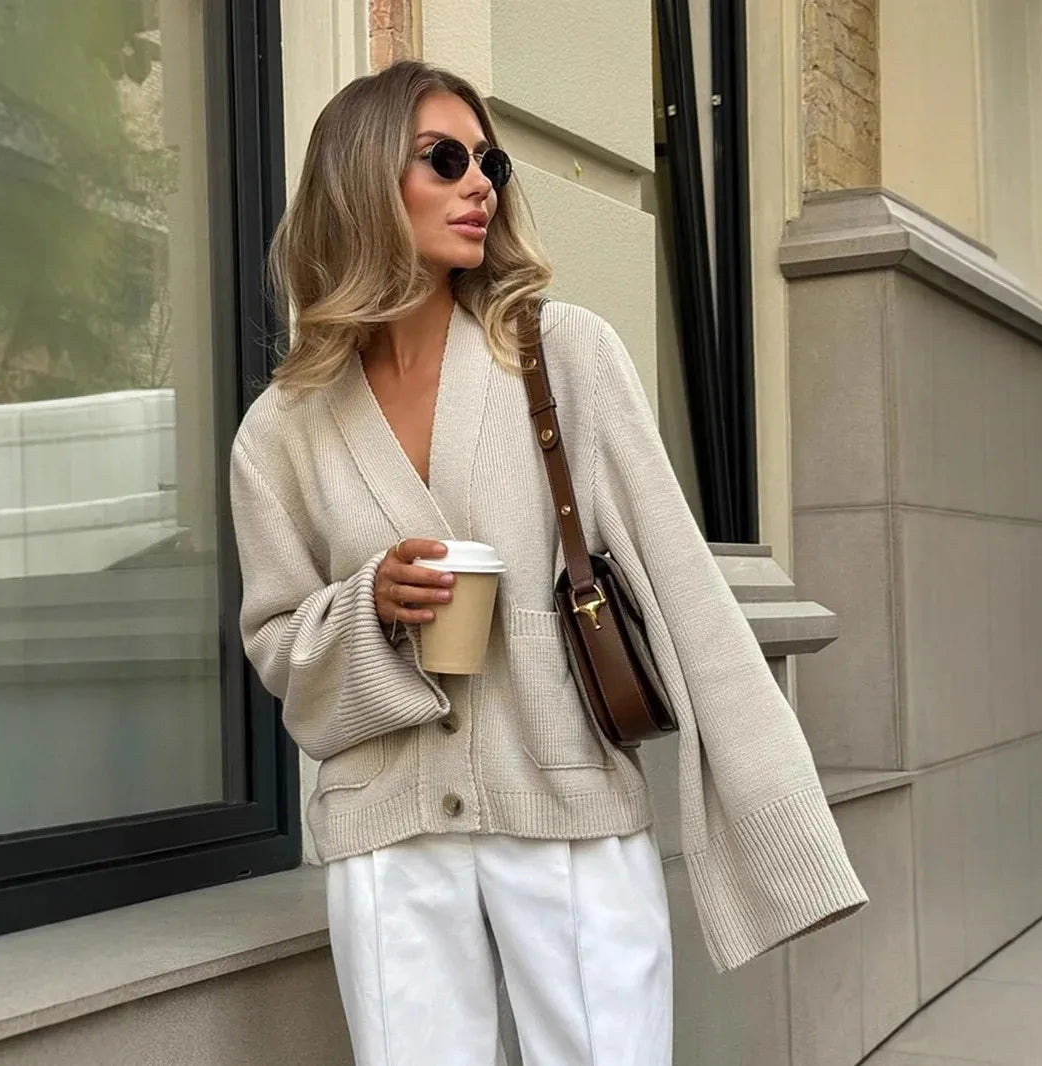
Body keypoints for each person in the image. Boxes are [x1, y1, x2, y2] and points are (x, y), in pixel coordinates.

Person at [229, 59, 867, 1066]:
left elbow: (684, 590)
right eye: (444, 158)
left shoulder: (560, 355)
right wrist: (369, 609)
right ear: (358, 181)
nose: (480, 181)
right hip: (389, 838)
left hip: (565, 811)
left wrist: (779, 819)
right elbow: (277, 643)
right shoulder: (282, 431)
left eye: (491, 160)